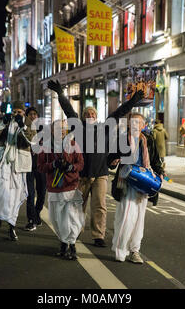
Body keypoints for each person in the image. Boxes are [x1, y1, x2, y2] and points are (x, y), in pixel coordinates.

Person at [48, 79, 145, 248]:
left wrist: (133, 101)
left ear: (97, 117)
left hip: (100, 174)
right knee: (78, 206)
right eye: (87, 114)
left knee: (100, 207)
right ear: (83, 118)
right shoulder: (77, 128)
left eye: (93, 114)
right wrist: (60, 94)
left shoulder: (104, 128)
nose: (90, 116)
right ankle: (75, 231)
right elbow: (69, 110)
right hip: (81, 175)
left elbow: (119, 112)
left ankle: (98, 235)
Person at [108, 112, 165, 263]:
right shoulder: (122, 140)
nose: (135, 125)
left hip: (144, 182)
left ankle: (134, 250)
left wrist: (160, 174)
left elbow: (155, 161)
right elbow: (110, 159)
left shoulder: (149, 140)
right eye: (132, 122)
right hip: (127, 182)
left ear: (143, 125)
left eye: (138, 123)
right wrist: (114, 161)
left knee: (139, 219)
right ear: (128, 124)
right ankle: (121, 250)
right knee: (127, 217)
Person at [38, 119, 84, 260]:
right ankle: (63, 241)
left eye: (63, 129)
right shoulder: (45, 147)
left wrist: (71, 167)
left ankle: (71, 245)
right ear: (52, 130)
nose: (61, 131)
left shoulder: (73, 144)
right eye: (58, 128)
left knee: (70, 218)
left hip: (70, 186)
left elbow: (80, 163)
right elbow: (40, 167)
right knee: (55, 219)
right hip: (54, 188)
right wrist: (53, 164)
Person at [0, 100, 34, 241]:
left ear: (23, 113)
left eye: (19, 112)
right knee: (1, 191)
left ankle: (11, 226)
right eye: (14, 112)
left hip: (19, 164)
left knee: (15, 194)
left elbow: (31, 141)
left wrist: (23, 126)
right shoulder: (4, 121)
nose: (16, 114)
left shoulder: (29, 124)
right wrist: (3, 124)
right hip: (3, 161)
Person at [24, 107, 47, 231]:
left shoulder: (45, 130)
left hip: (42, 166)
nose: (33, 116)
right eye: (30, 114)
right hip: (27, 165)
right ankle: (31, 219)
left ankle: (37, 212)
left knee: (42, 192)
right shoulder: (24, 129)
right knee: (30, 193)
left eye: (35, 114)